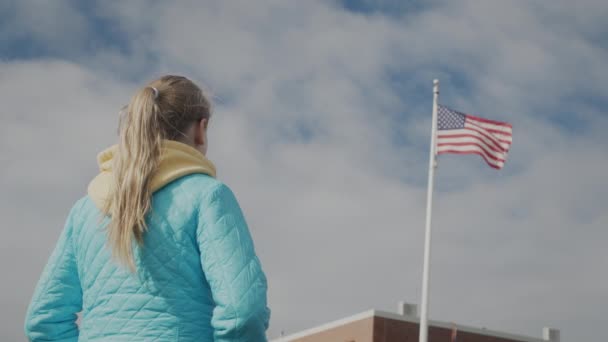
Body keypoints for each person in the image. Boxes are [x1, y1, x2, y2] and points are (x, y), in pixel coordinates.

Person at [24, 75, 270, 341]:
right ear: (201, 128)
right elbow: (241, 313)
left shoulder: (85, 209)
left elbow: (44, 321)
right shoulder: (208, 195)